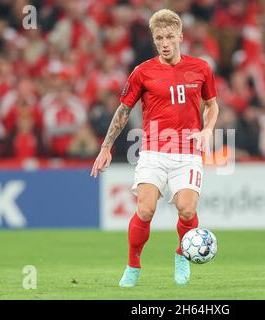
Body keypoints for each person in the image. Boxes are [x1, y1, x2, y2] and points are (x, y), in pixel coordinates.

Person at [90, 9, 219, 287]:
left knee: (186, 210)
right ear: (153, 39)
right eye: (159, 37)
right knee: (145, 210)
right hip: (153, 151)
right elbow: (123, 110)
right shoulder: (143, 72)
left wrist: (207, 130)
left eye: (170, 36)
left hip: (187, 152)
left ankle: (182, 254)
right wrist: (106, 147)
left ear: (181, 36)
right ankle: (133, 265)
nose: (165, 42)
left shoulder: (201, 68)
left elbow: (212, 104)